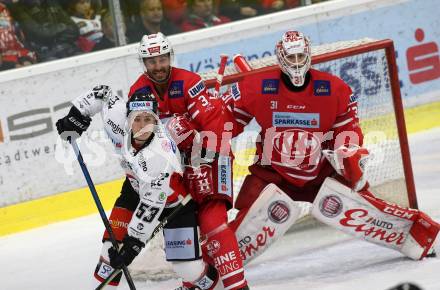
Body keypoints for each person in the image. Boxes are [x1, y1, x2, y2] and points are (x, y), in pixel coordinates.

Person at [223, 31, 439, 265]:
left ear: (308, 55)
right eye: (291, 57)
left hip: (322, 173)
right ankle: (218, 264)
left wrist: (346, 152)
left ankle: (419, 235)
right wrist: (215, 143)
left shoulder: (334, 89)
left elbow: (349, 133)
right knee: (248, 219)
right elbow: (224, 123)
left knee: (365, 205)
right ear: (280, 57)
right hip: (272, 174)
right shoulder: (256, 88)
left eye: (299, 56)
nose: (296, 63)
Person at [128, 32, 249, 289]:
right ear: (144, 63)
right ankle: (196, 282)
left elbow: (214, 124)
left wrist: (203, 157)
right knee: (183, 239)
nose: (158, 66)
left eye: (162, 59)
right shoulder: (137, 91)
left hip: (211, 161)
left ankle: (238, 286)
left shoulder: (189, 82)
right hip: (175, 171)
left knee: (212, 224)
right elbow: (137, 138)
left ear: (169, 57)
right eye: (152, 61)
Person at [56, 85, 208, 289]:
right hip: (134, 190)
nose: (143, 125)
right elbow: (102, 94)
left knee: (187, 269)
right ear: (127, 118)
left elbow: (152, 203)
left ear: (156, 121)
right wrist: (75, 116)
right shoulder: (116, 121)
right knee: (109, 255)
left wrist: (133, 244)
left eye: (148, 119)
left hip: (174, 203)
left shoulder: (159, 156)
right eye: (137, 119)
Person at [0, 2, 36, 71]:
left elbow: (23, 45)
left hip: (20, 55)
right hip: (6, 65)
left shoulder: (13, 21)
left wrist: (25, 59)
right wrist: (11, 65)